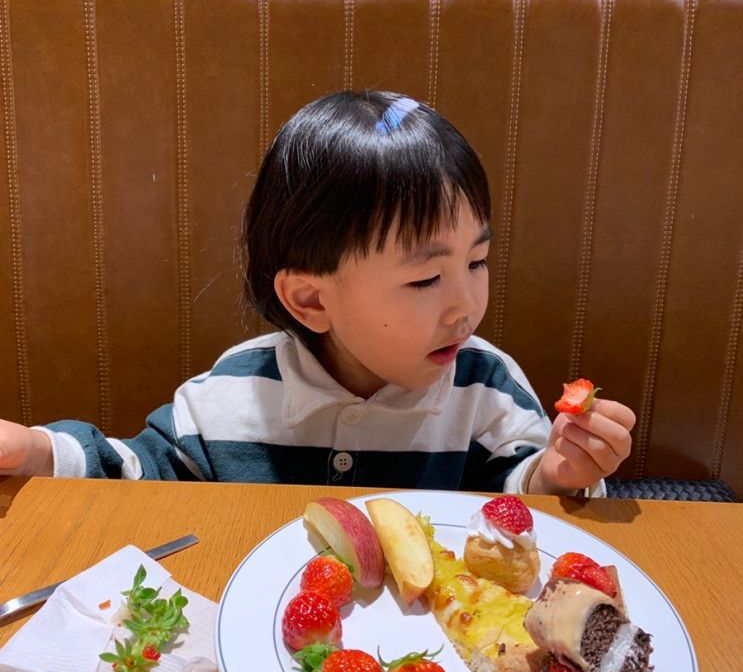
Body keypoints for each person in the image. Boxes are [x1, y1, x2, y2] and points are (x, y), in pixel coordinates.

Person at [0, 91, 634, 494]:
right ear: (310, 301)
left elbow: (523, 500)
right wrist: (33, 450)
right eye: (423, 278)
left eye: (478, 261)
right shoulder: (233, 397)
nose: (464, 304)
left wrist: (561, 473)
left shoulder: (485, 390)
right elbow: (139, 474)